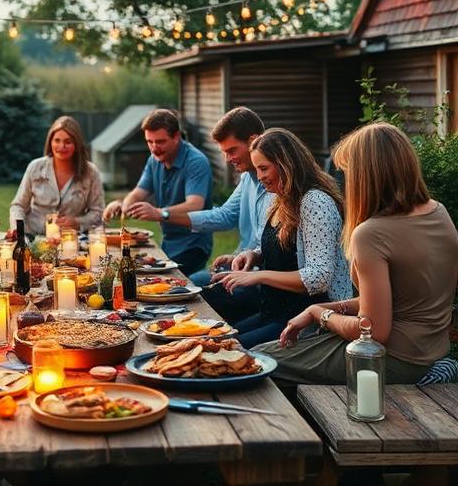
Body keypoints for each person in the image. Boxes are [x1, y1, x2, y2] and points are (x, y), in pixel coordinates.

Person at [256, 123, 458, 384]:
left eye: (349, 172)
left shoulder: (372, 234)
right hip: (428, 351)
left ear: (366, 175)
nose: (346, 180)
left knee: (258, 361)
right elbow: (401, 300)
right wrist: (323, 308)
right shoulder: (438, 213)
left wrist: (321, 315)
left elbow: (373, 330)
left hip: (392, 359)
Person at [212, 128, 353, 348]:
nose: (259, 177)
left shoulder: (315, 202)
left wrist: (259, 277)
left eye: (264, 168)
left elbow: (319, 277)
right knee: (214, 338)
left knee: (228, 350)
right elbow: (284, 246)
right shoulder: (282, 199)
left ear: (286, 164)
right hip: (275, 313)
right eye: (257, 169)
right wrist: (253, 255)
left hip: (308, 322)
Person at [163, 107, 273, 322]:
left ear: (254, 141)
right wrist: (164, 215)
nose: (227, 159)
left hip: (261, 281)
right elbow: (224, 216)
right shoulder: (247, 179)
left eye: (232, 150)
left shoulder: (275, 185)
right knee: (187, 283)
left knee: (193, 297)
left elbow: (275, 250)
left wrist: (243, 261)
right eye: (224, 152)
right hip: (242, 267)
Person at [103, 109, 213, 276]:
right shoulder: (154, 160)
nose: (154, 148)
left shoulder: (196, 162)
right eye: (150, 142)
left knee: (155, 279)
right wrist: (123, 205)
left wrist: (158, 213)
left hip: (193, 245)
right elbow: (138, 194)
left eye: (160, 142)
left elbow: (195, 205)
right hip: (168, 242)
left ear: (176, 136)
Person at [9, 115, 105, 235]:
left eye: (68, 142)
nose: (61, 147)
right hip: (34, 240)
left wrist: (77, 222)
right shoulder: (35, 167)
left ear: (77, 144)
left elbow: (98, 212)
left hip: (71, 241)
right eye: (57, 140)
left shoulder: (90, 172)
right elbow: (18, 206)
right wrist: (17, 229)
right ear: (50, 142)